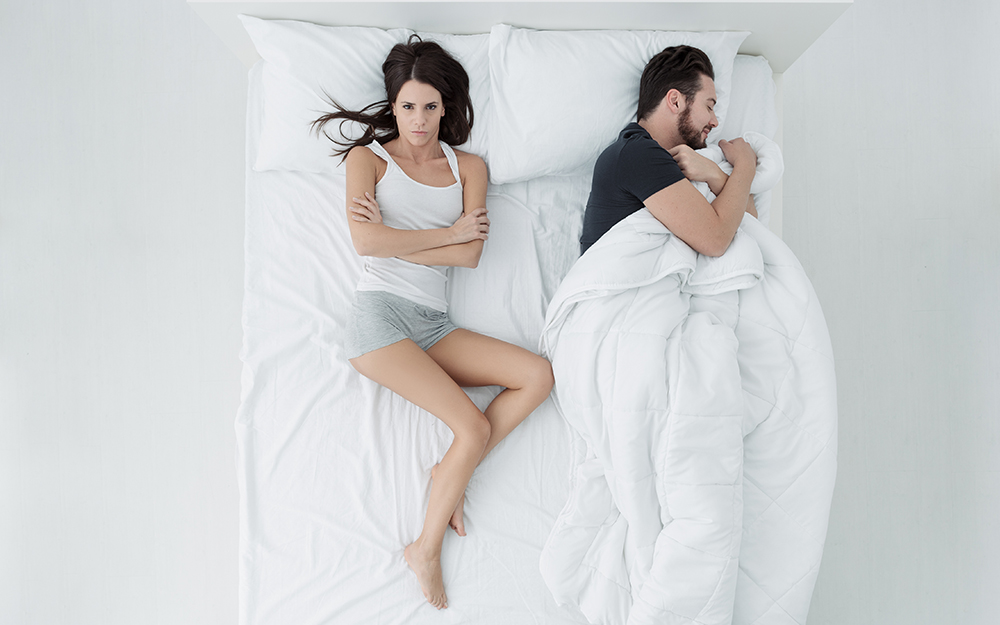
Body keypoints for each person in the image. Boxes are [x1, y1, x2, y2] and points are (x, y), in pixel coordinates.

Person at [312, 37, 554, 611]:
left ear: (445, 106)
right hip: (381, 324)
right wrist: (447, 234)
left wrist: (402, 245)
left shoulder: (469, 167)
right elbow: (366, 242)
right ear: (392, 106)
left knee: (537, 376)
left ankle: (451, 470)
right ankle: (424, 547)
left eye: (428, 107)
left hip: (433, 325)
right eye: (406, 107)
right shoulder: (367, 160)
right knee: (470, 427)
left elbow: (470, 258)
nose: (417, 121)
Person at [579, 45, 758, 256]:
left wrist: (714, 174)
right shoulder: (636, 153)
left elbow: (752, 226)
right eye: (709, 106)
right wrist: (746, 165)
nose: (715, 121)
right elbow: (716, 240)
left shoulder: (661, 160)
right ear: (675, 101)